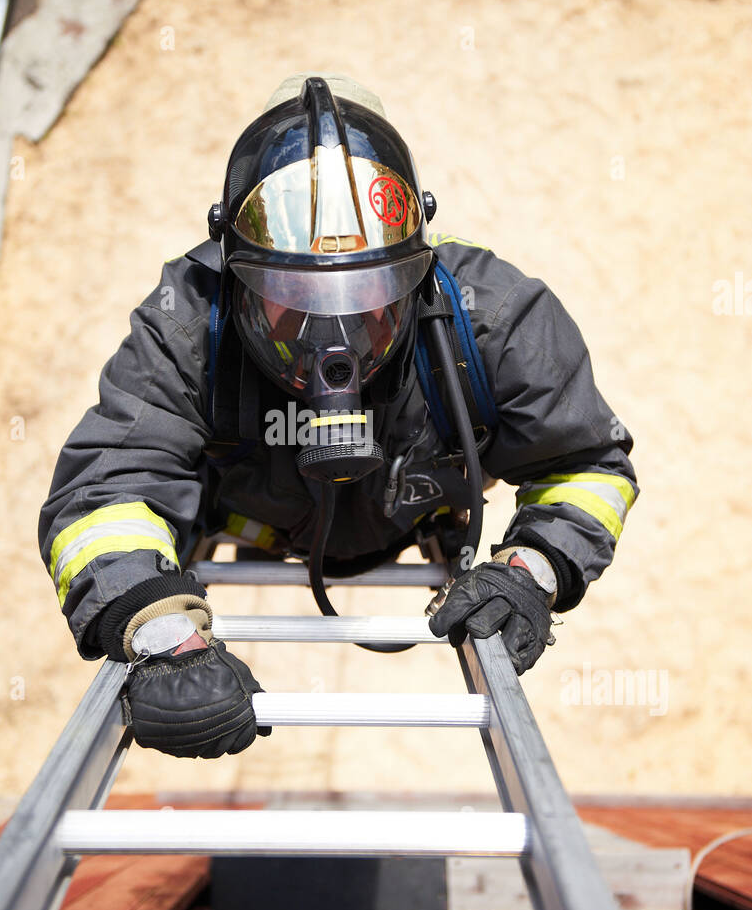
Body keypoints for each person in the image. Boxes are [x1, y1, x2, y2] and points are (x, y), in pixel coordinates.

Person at [39, 75, 638, 759]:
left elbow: (587, 463)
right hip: (259, 527)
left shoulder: (494, 316)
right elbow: (107, 489)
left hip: (418, 516)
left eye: (372, 299)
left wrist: (532, 570)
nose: (336, 338)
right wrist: (159, 636)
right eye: (289, 300)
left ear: (419, 265)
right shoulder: (185, 323)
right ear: (232, 272)